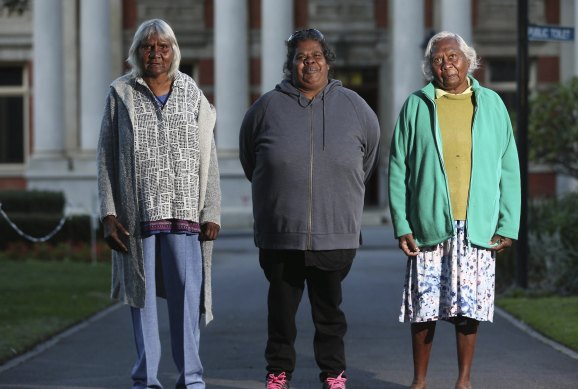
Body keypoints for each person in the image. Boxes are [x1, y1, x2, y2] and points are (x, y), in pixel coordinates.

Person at [239, 28, 380, 389]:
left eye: (316, 55)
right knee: (281, 315)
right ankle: (278, 372)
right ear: (290, 65)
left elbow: (368, 157)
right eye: (301, 57)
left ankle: (333, 374)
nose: (309, 62)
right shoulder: (265, 107)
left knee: (329, 314)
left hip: (334, 233)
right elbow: (250, 160)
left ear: (328, 61)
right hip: (281, 232)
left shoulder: (354, 106)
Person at [388, 31, 521, 389]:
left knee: (468, 309)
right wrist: (402, 223)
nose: (446, 64)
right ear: (429, 66)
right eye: (437, 58)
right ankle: (419, 381)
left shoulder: (492, 104)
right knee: (423, 309)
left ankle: (464, 381)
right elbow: (398, 167)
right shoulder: (417, 104)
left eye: (452, 57)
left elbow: (509, 166)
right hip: (429, 225)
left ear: (469, 60)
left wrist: (508, 224)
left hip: (477, 224)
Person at [97, 19, 221, 389]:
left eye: (163, 46)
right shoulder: (121, 93)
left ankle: (192, 378)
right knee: (144, 301)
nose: (155, 53)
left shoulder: (192, 92)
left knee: (187, 301)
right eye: (148, 47)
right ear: (137, 52)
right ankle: (147, 379)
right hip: (139, 218)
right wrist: (108, 213)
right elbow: (106, 156)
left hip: (185, 216)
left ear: (173, 51)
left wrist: (211, 210)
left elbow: (208, 155)